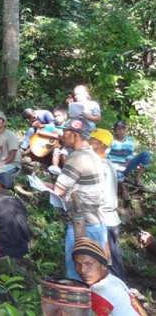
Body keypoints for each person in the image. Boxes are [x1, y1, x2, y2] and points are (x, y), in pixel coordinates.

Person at [43, 117, 107, 281]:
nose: (62, 135)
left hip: (82, 225)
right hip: (97, 222)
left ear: (75, 134)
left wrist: (45, 187)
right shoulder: (93, 155)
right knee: (96, 277)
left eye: (65, 132)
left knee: (78, 276)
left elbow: (60, 190)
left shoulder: (77, 158)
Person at [72, 238, 147, 315]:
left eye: (89, 264)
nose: (82, 270)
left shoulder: (99, 293)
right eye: (77, 264)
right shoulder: (113, 280)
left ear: (103, 265)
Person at [89, 128, 126, 281]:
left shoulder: (99, 164)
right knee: (113, 262)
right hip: (111, 218)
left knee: (109, 263)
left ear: (99, 145)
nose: (89, 143)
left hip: (103, 218)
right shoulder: (108, 163)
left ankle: (122, 297)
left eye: (92, 140)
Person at [108, 120, 152, 188]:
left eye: (123, 128)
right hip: (113, 166)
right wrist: (115, 166)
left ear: (125, 129)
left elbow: (130, 155)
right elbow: (106, 156)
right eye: (119, 129)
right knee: (118, 175)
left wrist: (125, 164)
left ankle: (137, 178)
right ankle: (123, 189)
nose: (121, 131)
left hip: (126, 164)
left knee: (146, 154)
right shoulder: (110, 140)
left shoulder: (130, 140)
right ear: (115, 130)